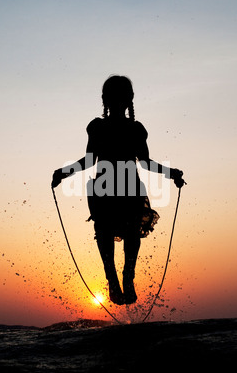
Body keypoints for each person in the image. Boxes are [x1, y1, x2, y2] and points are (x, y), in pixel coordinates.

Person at [52, 75, 185, 305]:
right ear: (106, 100)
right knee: (105, 232)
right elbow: (89, 160)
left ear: (128, 100)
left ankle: (127, 275)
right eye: (113, 97)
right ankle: (113, 279)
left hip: (127, 188)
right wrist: (64, 172)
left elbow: (144, 162)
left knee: (130, 232)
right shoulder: (98, 128)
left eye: (120, 97)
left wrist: (170, 173)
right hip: (104, 190)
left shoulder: (136, 129)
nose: (116, 101)